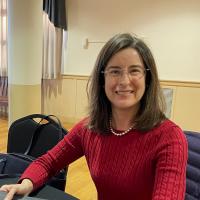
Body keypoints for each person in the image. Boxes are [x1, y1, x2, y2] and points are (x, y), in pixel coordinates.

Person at [0, 33, 188, 200]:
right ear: (102, 78)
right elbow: (48, 162)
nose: (124, 81)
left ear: (148, 78)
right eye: (115, 71)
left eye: (134, 71)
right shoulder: (89, 128)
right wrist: (26, 183)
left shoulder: (170, 138)